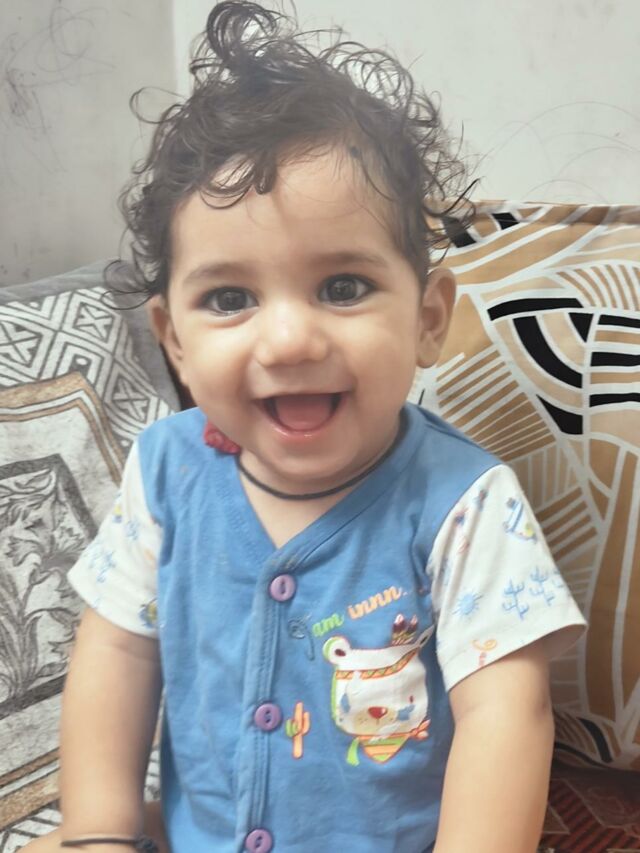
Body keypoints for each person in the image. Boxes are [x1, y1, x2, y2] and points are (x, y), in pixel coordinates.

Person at [23, 3, 586, 852]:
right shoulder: (166, 470)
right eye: (230, 298)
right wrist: (98, 829)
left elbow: (507, 712)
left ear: (428, 318)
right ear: (174, 341)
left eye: (343, 287)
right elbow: (118, 650)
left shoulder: (465, 502)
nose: (288, 340)